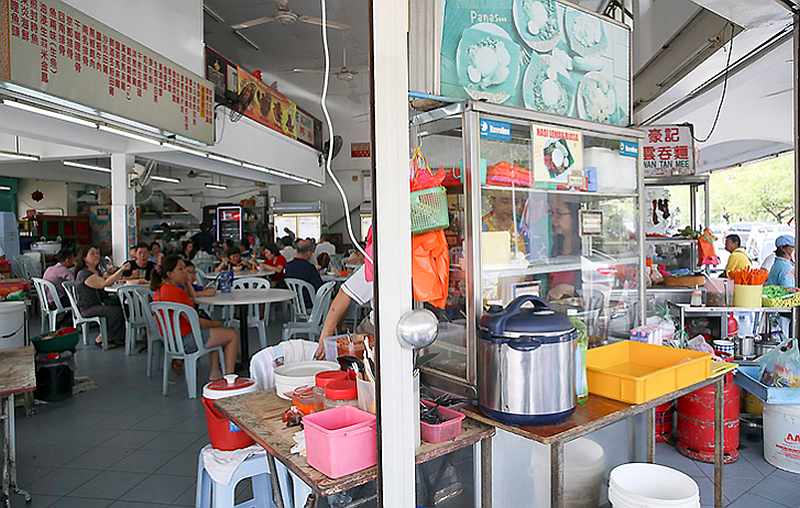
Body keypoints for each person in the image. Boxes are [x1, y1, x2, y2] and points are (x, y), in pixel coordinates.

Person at [151, 255, 239, 380]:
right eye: (180, 269)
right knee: (232, 334)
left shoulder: (161, 291)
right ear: (170, 274)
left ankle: (215, 372)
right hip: (187, 339)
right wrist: (216, 323)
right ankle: (230, 377)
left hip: (171, 341)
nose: (184, 273)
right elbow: (196, 322)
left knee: (218, 333)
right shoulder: (175, 292)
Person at [74, 245, 129, 347]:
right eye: (92, 253)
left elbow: (108, 278)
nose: (96, 256)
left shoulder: (96, 271)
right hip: (88, 308)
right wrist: (121, 270)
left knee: (123, 305)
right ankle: (104, 338)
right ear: (84, 258)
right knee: (116, 311)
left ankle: (119, 337)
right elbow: (104, 283)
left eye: (98, 253)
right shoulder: (84, 274)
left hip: (99, 303)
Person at [315, 264, 374, 359]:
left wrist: (324, 338)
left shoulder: (379, 261)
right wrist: (324, 340)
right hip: (376, 328)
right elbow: (344, 294)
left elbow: (344, 294)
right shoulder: (378, 262)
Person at [284, 239, 323, 308]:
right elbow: (320, 287)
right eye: (311, 252)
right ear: (308, 252)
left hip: (295, 303)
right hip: (311, 303)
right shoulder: (309, 267)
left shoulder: (288, 266)